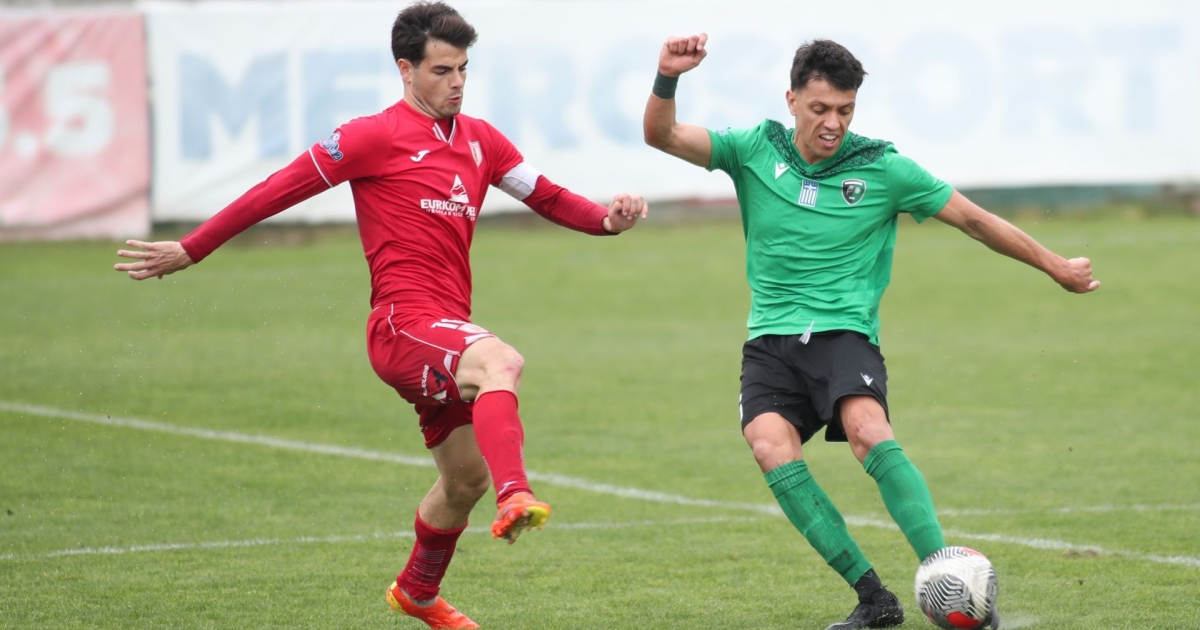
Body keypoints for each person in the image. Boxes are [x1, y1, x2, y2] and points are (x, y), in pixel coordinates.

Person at [115, 3, 647, 629]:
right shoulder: (371, 136)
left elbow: (549, 197)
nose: (457, 82)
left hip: (444, 329)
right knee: (501, 362)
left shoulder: (482, 141)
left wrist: (607, 220)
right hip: (401, 325)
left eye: (463, 69)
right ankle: (517, 495)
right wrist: (193, 247)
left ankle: (417, 592)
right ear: (405, 70)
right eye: (442, 70)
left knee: (463, 481)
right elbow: (276, 190)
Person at [643, 34, 1098, 630]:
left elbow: (974, 220)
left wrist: (1056, 266)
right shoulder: (753, 147)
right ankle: (874, 598)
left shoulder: (883, 168)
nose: (833, 123)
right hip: (770, 341)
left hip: (843, 334)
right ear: (791, 100)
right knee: (769, 446)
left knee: (866, 429)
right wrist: (668, 76)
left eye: (845, 109)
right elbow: (661, 135)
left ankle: (949, 577)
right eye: (819, 108)